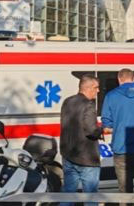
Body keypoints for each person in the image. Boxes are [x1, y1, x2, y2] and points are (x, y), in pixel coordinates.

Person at [59, 74, 102, 206]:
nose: (98, 91)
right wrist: (102, 130)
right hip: (87, 158)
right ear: (88, 88)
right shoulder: (88, 105)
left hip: (68, 155)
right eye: (96, 87)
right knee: (90, 197)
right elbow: (91, 131)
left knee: (68, 195)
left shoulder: (67, 101)